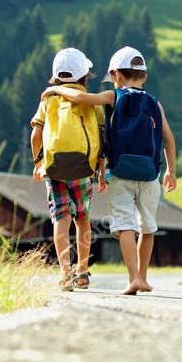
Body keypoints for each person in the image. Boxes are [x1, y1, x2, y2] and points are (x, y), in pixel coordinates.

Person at [42, 46, 176, 295]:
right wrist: (171, 172)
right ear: (144, 75)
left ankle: (133, 278)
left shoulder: (114, 97)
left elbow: (81, 98)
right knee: (148, 227)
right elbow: (169, 139)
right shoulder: (155, 104)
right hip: (150, 175)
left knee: (125, 226)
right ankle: (144, 278)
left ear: (115, 75)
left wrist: (54, 89)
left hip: (121, 174)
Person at [30, 48, 106, 292]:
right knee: (82, 220)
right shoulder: (93, 103)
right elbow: (103, 139)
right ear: (85, 75)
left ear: (55, 76)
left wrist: (38, 162)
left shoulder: (48, 100)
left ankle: (65, 273)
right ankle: (82, 272)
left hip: (54, 169)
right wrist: (101, 168)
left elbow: (36, 134)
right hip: (84, 169)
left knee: (60, 219)